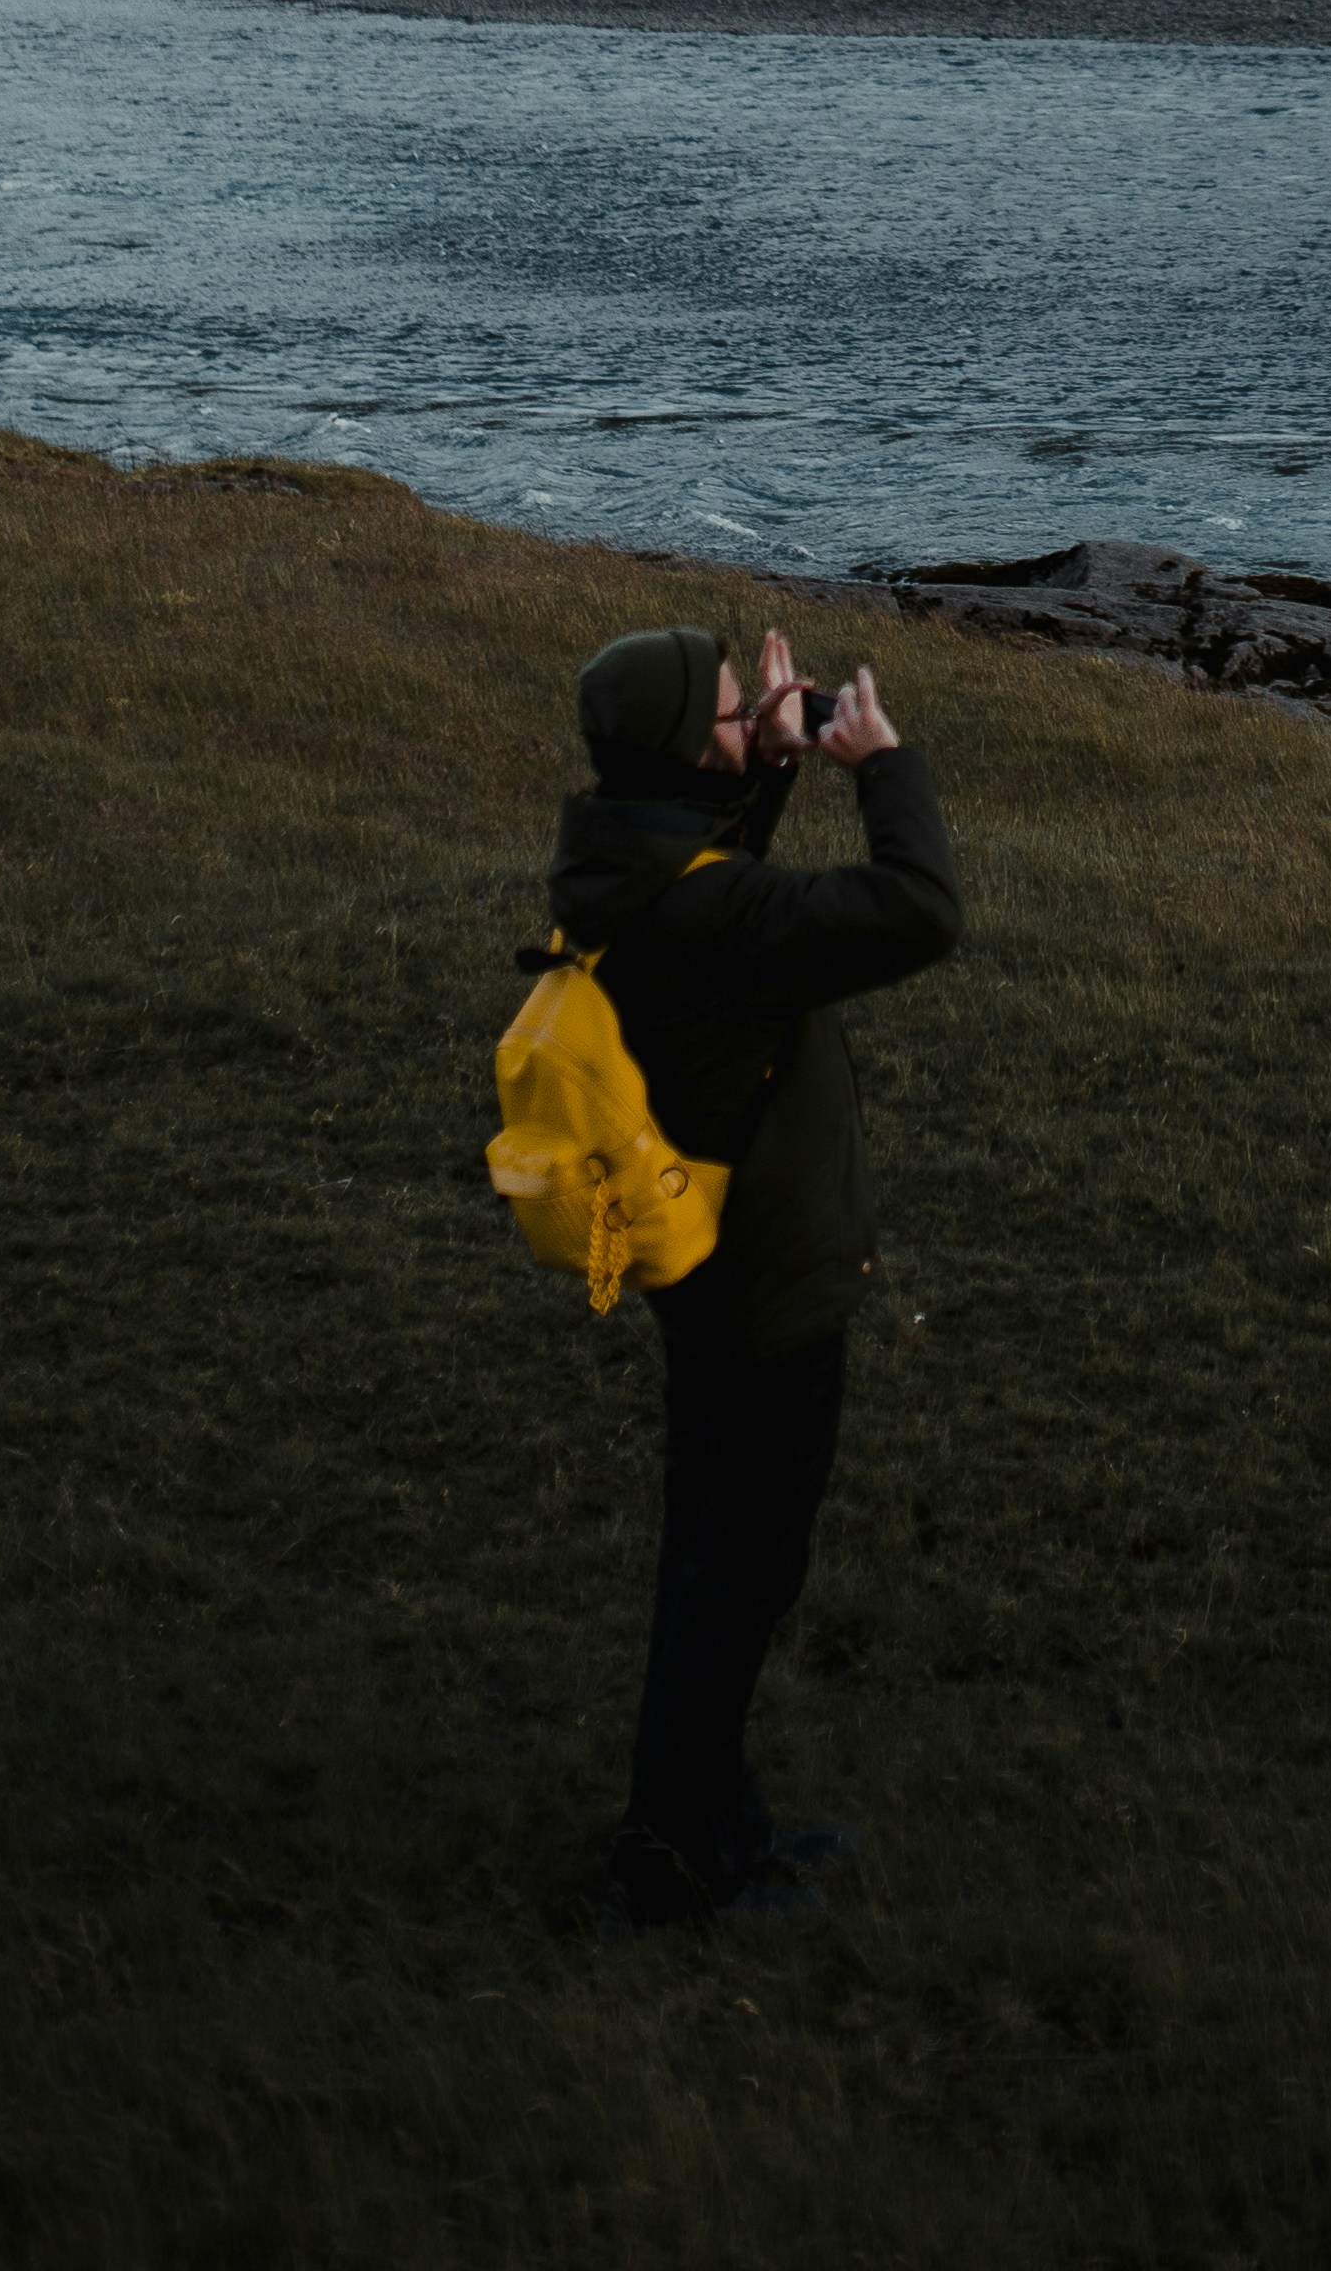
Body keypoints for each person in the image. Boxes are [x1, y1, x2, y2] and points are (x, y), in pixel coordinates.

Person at [546, 616, 963, 1934]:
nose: (754, 716)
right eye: (735, 710)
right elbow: (919, 909)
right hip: (769, 1294)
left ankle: (716, 1826)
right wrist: (877, 765)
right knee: (740, 1578)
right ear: (686, 747)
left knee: (714, 1560)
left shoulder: (631, 862)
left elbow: (723, 889)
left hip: (711, 1283)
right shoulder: (710, 908)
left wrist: (769, 767)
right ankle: (672, 1868)